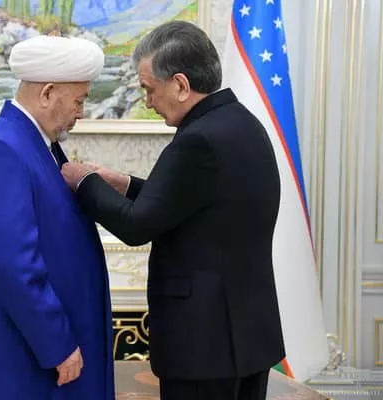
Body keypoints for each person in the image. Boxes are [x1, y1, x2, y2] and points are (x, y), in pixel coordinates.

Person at [61, 21, 285, 400]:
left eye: (149, 89)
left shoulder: (198, 140)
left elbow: (136, 226)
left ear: (180, 85)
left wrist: (84, 182)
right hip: (246, 338)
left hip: (204, 345)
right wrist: (124, 183)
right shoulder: (242, 123)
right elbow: (197, 205)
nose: (148, 101)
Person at [0, 35, 114, 400]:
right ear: (47, 93)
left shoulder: (37, 144)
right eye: (79, 100)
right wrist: (57, 343)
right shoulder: (3, 150)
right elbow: (12, 265)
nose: (81, 112)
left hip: (45, 361)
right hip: (28, 364)